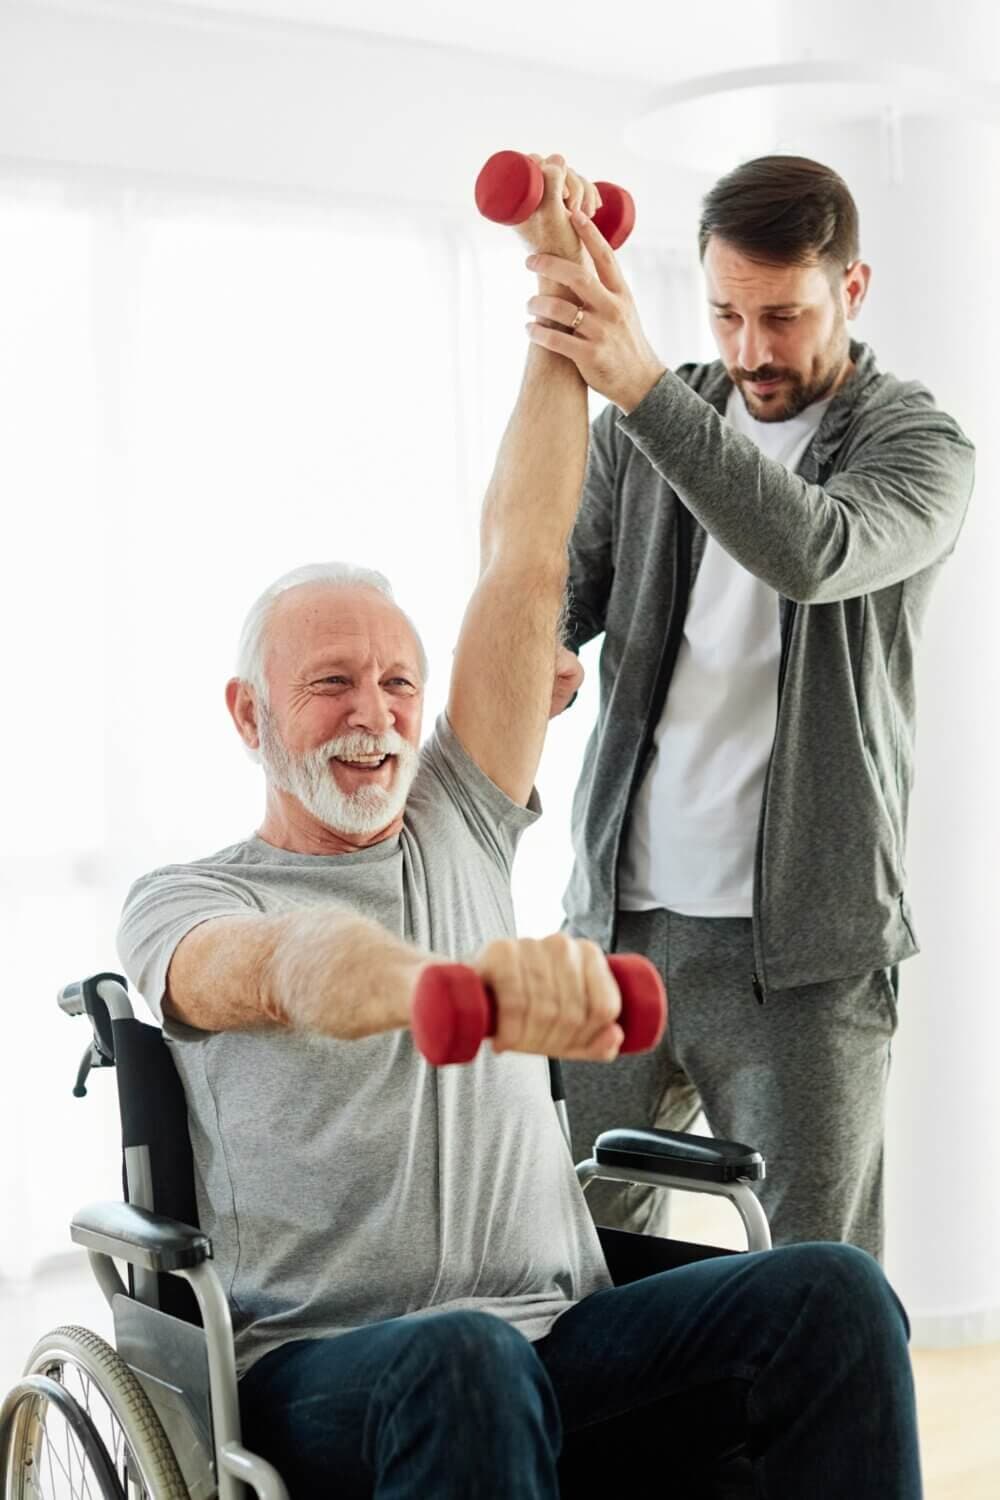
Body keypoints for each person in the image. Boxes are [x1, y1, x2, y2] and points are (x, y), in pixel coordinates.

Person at [117, 157, 922, 1498]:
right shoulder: (191, 899)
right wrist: (450, 991)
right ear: (248, 712)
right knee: (464, 1356)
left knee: (831, 1293)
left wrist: (563, 286)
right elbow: (288, 971)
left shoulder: (458, 816)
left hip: (558, 1338)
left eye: (397, 683)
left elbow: (526, 557)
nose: (374, 716)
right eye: (330, 685)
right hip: (329, 1366)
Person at [523, 155, 976, 1257]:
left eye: (783, 316)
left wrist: (644, 390)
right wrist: (550, 646)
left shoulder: (920, 447)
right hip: (615, 930)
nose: (751, 350)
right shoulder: (642, 430)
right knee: (568, 1256)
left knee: (816, 1278)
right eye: (726, 313)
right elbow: (571, 584)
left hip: (806, 960)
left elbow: (812, 552)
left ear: (851, 288)